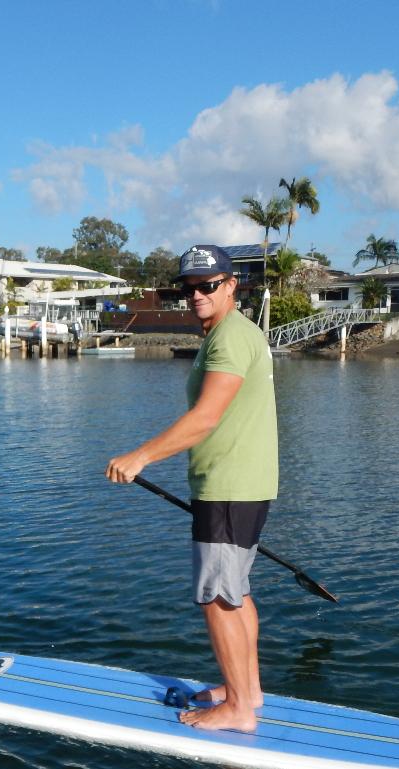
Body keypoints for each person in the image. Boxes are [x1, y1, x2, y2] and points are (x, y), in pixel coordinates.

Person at [106, 244, 278, 733]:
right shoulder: (234, 333)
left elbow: (205, 418)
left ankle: (239, 709)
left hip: (229, 486)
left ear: (231, 285)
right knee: (235, 591)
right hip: (242, 484)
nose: (196, 295)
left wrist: (141, 456)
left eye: (207, 285)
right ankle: (247, 689)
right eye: (188, 288)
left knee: (217, 597)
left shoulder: (230, 338)